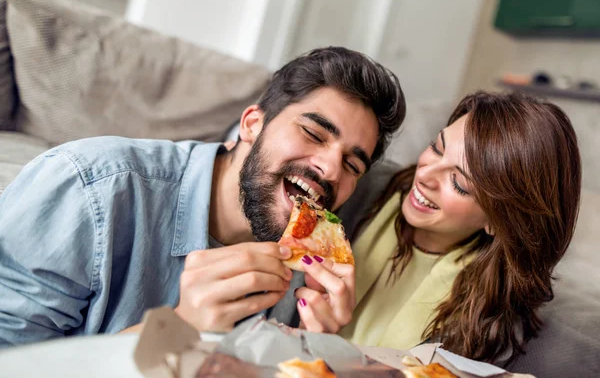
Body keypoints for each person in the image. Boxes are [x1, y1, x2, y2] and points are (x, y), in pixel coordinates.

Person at [0, 47, 406, 346]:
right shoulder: (90, 188)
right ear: (252, 124)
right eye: (314, 134)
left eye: (353, 165)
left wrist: (307, 346)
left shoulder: (309, 266)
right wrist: (178, 328)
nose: (332, 170)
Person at [337, 91, 581, 363]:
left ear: (499, 222)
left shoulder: (486, 316)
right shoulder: (355, 185)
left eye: (459, 183)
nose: (425, 175)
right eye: (436, 148)